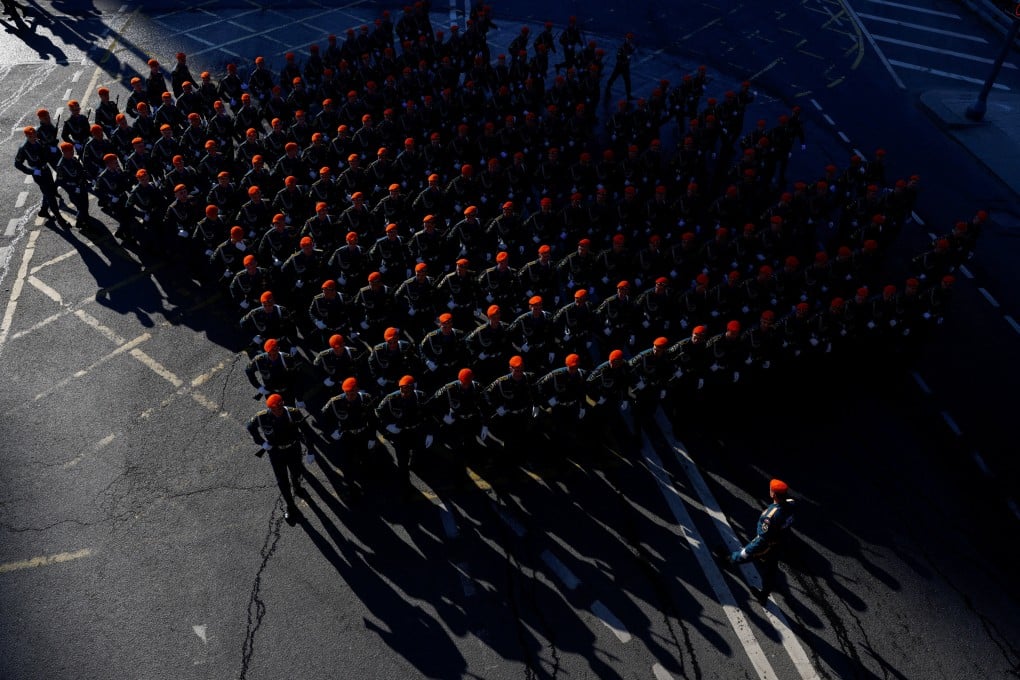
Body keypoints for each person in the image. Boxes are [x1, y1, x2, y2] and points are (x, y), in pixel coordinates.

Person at [722, 478, 796, 603]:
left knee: (747, 555)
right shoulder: (791, 504)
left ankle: (730, 559)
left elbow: (762, 539)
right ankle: (764, 595)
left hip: (767, 545)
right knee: (770, 570)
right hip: (780, 543)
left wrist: (748, 550)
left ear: (773, 494)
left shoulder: (771, 515)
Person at [246, 393, 311, 525]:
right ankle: (290, 506)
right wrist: (261, 442)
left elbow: (306, 430)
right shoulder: (262, 417)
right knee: (282, 481)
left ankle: (297, 487)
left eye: (281, 407)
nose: (279, 411)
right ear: (270, 408)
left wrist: (311, 450)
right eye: (276, 409)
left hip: (293, 449)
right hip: (276, 453)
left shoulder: (293, 413)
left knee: (296, 472)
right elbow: (250, 427)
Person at [15, 127, 69, 227]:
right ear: (26, 136)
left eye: (34, 134)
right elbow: (17, 164)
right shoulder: (24, 148)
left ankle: (44, 210)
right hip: (38, 174)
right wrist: (32, 171)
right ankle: (59, 218)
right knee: (51, 196)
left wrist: (53, 147)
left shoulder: (39, 142)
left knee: (50, 191)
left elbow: (46, 152)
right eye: (31, 136)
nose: (33, 137)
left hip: (46, 170)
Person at [604, 33, 636, 101]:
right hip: (620, 66)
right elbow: (618, 57)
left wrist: (630, 55)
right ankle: (608, 87)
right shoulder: (622, 47)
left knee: (627, 81)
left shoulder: (630, 47)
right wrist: (625, 60)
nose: (629, 40)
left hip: (626, 67)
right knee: (613, 77)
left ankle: (628, 95)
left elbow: (630, 53)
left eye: (630, 39)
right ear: (626, 38)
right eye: (628, 39)